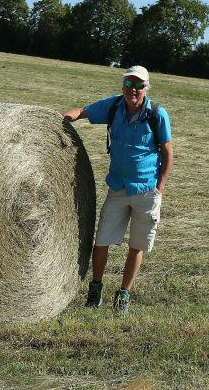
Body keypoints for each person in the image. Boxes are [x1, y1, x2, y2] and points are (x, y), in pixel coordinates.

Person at [62, 65, 173, 315]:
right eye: (129, 84)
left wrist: (160, 186)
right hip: (118, 188)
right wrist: (63, 119)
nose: (133, 90)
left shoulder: (157, 114)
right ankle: (96, 289)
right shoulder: (113, 106)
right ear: (123, 86)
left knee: (137, 245)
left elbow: (167, 152)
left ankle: (124, 295)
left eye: (139, 85)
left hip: (146, 190)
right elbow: (83, 111)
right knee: (101, 241)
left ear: (146, 88)